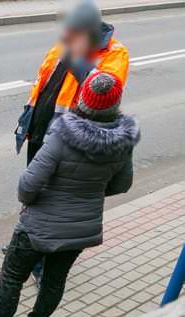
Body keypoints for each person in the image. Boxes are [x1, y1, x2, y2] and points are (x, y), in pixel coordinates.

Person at [0, 72, 139, 317]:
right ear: (116, 103)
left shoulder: (63, 136)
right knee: (54, 281)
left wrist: (34, 201)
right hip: (81, 230)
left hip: (38, 226)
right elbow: (122, 184)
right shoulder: (123, 141)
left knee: (12, 276)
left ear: (83, 99)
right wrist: (88, 195)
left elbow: (28, 184)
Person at [15, 0, 129, 285]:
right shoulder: (61, 45)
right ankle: (26, 245)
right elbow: (43, 84)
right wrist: (28, 117)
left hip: (69, 141)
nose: (68, 35)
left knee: (51, 203)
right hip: (40, 134)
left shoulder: (114, 54)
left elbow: (103, 89)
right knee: (33, 194)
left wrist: (78, 59)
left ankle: (42, 264)